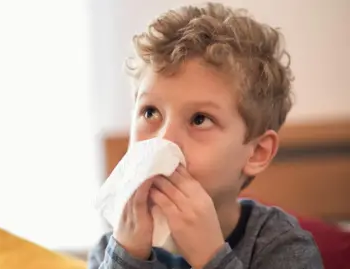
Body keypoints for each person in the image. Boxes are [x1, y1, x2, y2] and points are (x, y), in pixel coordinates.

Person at [88, 3, 324, 269]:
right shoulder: (109, 251)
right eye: (150, 112)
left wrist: (210, 257)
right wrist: (127, 255)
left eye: (200, 119)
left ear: (257, 153)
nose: (164, 140)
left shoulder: (281, 245)